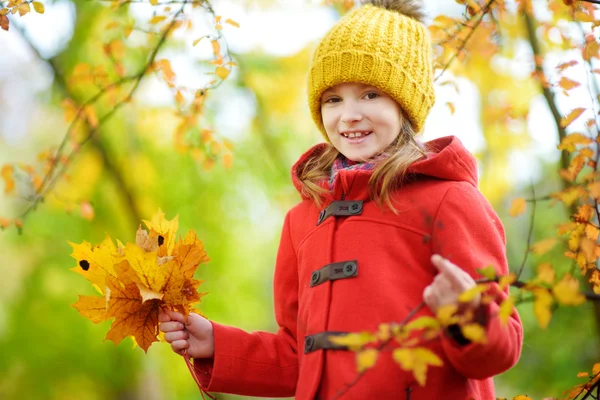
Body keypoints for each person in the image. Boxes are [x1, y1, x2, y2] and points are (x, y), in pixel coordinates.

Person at [159, 0, 523, 399]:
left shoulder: (448, 199)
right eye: (333, 99)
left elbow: (502, 345)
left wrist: (467, 317)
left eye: (369, 94)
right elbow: (301, 356)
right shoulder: (302, 219)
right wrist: (216, 343)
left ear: (405, 104)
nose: (348, 115)